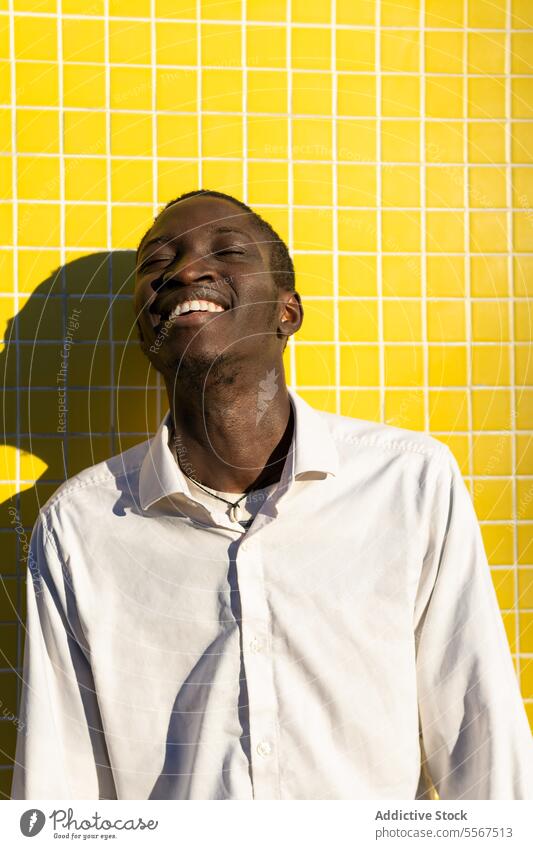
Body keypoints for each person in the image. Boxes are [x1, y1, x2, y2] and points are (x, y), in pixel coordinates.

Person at [11, 189, 533, 800]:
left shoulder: (410, 486)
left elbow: (485, 750)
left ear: (288, 312)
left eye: (227, 251)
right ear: (144, 325)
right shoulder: (78, 529)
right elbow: (60, 792)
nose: (183, 270)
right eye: (156, 263)